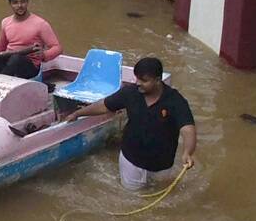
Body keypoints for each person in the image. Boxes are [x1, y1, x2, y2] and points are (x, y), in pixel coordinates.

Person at [67, 57, 196, 191]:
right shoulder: (130, 93)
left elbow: (188, 128)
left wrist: (188, 152)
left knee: (160, 196)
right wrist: (78, 113)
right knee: (131, 197)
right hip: (131, 160)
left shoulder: (175, 101)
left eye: (144, 80)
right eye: (137, 78)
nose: (138, 83)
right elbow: (105, 106)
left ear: (158, 80)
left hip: (162, 165)